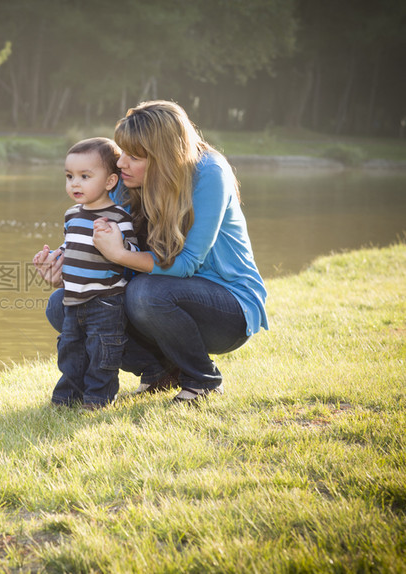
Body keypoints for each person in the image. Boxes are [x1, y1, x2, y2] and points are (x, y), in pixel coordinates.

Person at [34, 101, 267, 403]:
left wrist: (120, 255)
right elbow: (108, 256)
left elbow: (184, 265)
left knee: (145, 294)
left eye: (134, 156)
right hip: (158, 295)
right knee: (62, 306)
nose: (120, 163)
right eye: (121, 153)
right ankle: (159, 371)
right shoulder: (125, 182)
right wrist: (65, 272)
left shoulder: (209, 173)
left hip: (227, 307)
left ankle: (203, 379)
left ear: (164, 157)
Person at [43, 137, 139, 409]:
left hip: (106, 299)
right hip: (73, 298)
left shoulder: (118, 217)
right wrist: (53, 258)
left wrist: (118, 241)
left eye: (85, 176)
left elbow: (131, 251)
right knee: (70, 349)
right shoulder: (72, 215)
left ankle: (98, 398)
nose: (75, 183)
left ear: (110, 182)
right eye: (69, 176)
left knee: (102, 350)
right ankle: (66, 397)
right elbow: (70, 245)